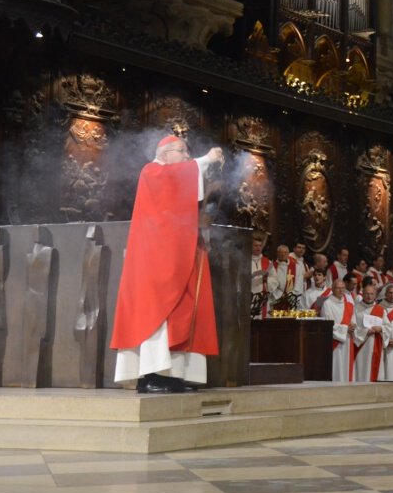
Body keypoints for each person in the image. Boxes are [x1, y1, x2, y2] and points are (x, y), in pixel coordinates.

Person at [110, 135, 223, 394]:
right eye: (181, 151)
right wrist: (206, 159)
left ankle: (172, 375)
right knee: (156, 314)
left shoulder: (173, 174)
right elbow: (177, 179)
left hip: (176, 254)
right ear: (164, 153)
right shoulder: (152, 172)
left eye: (187, 152)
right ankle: (149, 375)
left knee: (181, 312)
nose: (186, 157)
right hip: (155, 258)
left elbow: (185, 206)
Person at [322, 279, 355, 382]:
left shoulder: (349, 304)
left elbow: (353, 320)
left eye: (343, 288)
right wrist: (346, 328)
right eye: (338, 288)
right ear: (332, 289)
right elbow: (328, 324)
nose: (341, 291)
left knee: (346, 367)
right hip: (335, 342)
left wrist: (353, 326)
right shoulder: (327, 304)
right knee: (337, 368)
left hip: (348, 341)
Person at [352, 283, 385, 382]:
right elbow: (352, 327)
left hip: (375, 344)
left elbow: (388, 327)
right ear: (362, 294)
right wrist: (365, 332)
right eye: (367, 294)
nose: (369, 296)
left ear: (375, 295)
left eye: (371, 294)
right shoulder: (356, 308)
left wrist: (381, 328)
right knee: (360, 370)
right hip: (360, 345)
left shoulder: (380, 309)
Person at [250, 230, 274, 319]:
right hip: (250, 297)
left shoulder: (267, 262)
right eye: (255, 245)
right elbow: (239, 280)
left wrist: (266, 279)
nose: (258, 248)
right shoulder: (245, 260)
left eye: (260, 246)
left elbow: (275, 280)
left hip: (263, 298)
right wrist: (253, 275)